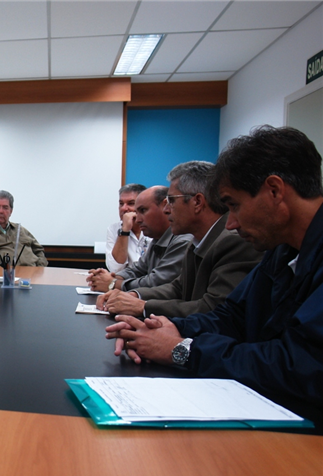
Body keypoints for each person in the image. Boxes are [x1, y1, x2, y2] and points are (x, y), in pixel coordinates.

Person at [106, 126, 323, 408]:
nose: (230, 223)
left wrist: (183, 350)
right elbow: (232, 316)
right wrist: (166, 326)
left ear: (274, 191)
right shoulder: (282, 250)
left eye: (234, 205)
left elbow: (300, 368)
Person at [98, 161, 263, 317]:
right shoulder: (198, 240)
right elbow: (178, 288)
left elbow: (213, 308)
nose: (167, 209)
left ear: (197, 202)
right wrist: (134, 294)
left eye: (171, 201)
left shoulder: (232, 240)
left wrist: (142, 306)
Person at [87, 186, 191, 292]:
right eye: (121, 204)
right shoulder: (158, 237)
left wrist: (113, 284)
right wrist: (108, 279)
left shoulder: (183, 240)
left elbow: (156, 282)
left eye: (143, 210)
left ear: (165, 206)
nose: (138, 219)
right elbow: (138, 269)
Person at [106, 183, 149, 273]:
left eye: (131, 203)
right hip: (125, 283)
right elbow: (115, 269)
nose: (124, 208)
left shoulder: (154, 227)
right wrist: (124, 230)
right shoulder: (113, 229)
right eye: (121, 204)